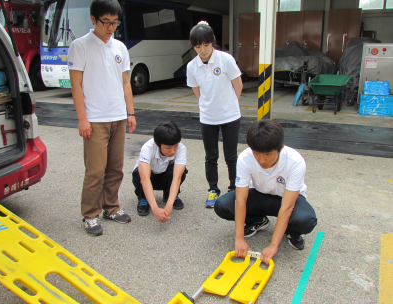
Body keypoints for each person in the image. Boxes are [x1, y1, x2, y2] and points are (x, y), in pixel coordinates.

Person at [68, 0, 136, 236]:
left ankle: (111, 207)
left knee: (116, 168)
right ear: (93, 19)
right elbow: (76, 86)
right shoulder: (80, 46)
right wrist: (82, 119)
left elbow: (126, 83)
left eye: (114, 22)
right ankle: (90, 214)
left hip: (118, 115)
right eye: (105, 22)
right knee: (95, 170)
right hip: (95, 119)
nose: (110, 27)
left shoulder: (120, 47)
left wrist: (130, 112)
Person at [214, 120, 317, 264]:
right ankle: (258, 220)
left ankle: (291, 232)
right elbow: (241, 199)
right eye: (256, 153)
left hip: (285, 199)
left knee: (305, 220)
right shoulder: (245, 158)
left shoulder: (295, 162)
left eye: (268, 154)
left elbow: (287, 207)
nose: (262, 160)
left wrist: (273, 245)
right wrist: (239, 238)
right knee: (222, 205)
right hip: (259, 195)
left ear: (280, 148)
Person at [186, 21, 243, 208]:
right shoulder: (192, 67)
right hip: (208, 118)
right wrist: (209, 106)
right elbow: (198, 92)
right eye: (197, 46)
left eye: (206, 44)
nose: (202, 49)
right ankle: (213, 189)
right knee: (211, 156)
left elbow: (238, 86)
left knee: (231, 156)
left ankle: (234, 188)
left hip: (230, 116)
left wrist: (229, 105)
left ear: (213, 42)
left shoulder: (225, 59)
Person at [132, 121, 187, 223]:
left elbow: (177, 177)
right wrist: (155, 209)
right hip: (149, 179)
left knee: (181, 171)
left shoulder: (181, 148)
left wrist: (169, 205)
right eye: (168, 147)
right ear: (158, 145)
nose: (173, 151)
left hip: (164, 177)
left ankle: (169, 196)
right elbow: (145, 179)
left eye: (175, 146)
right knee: (139, 173)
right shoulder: (148, 147)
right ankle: (143, 198)